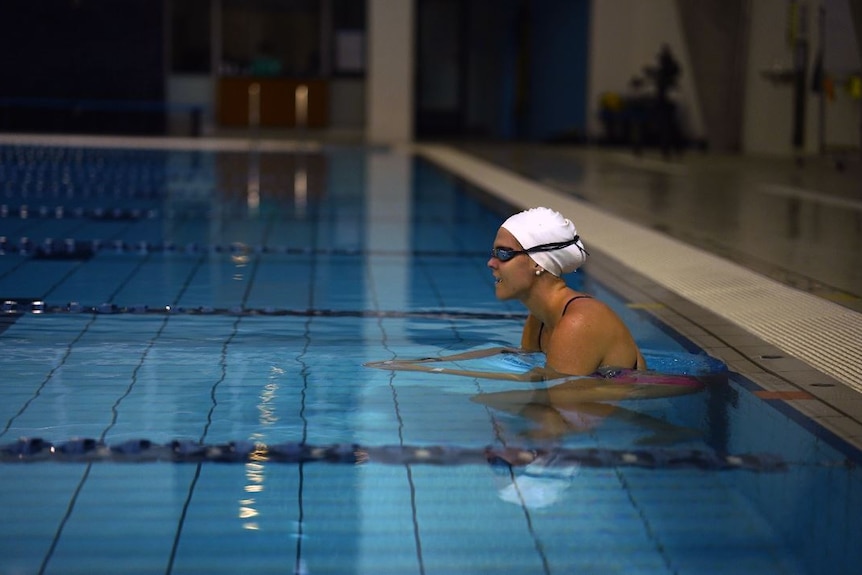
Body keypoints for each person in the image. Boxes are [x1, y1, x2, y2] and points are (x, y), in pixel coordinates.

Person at [366, 207, 646, 381]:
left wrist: (430, 373)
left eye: (504, 254)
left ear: (538, 262)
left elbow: (559, 398)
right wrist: (426, 362)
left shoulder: (578, 323)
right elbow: (523, 361)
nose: (491, 263)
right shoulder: (540, 320)